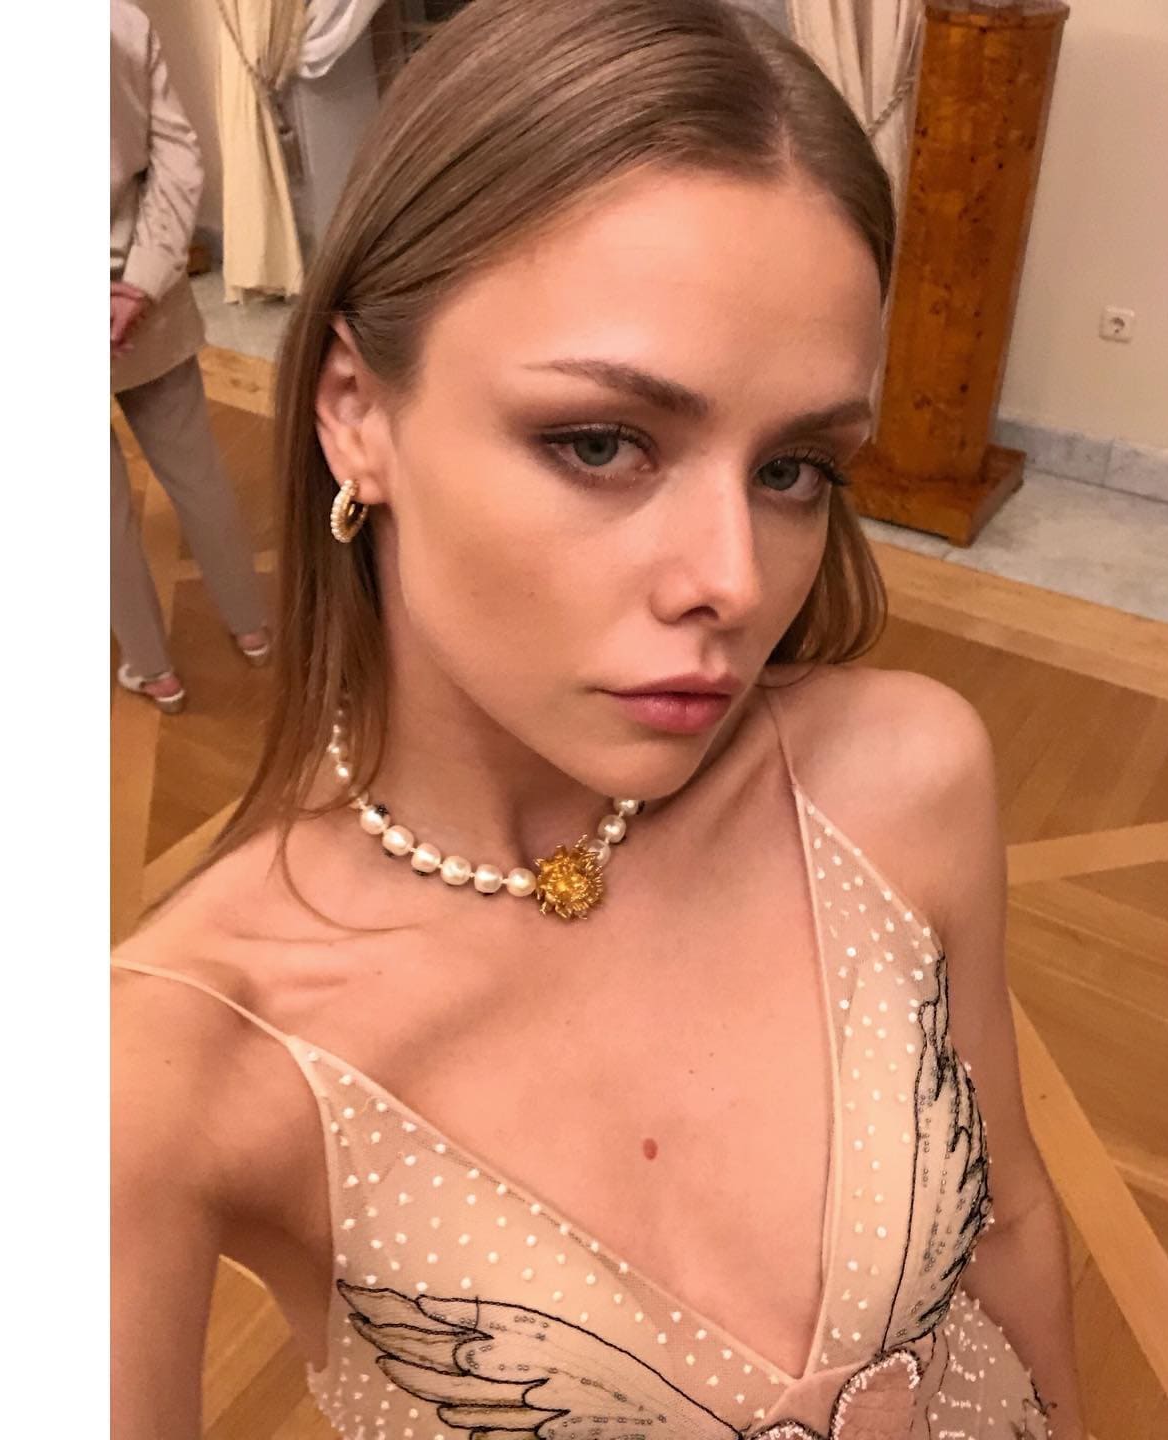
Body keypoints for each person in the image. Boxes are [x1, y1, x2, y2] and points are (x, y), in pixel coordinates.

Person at [111, 2, 1086, 1437]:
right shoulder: (177, 1068)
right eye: (601, 442)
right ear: (355, 413)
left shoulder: (905, 775)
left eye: (795, 469)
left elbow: (1012, 1223)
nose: (732, 583)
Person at [111, 0, 270, 713]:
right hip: (148, 303)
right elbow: (178, 158)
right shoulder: (117, 18)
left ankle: (154, 669)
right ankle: (252, 626)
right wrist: (139, 283)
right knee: (198, 473)